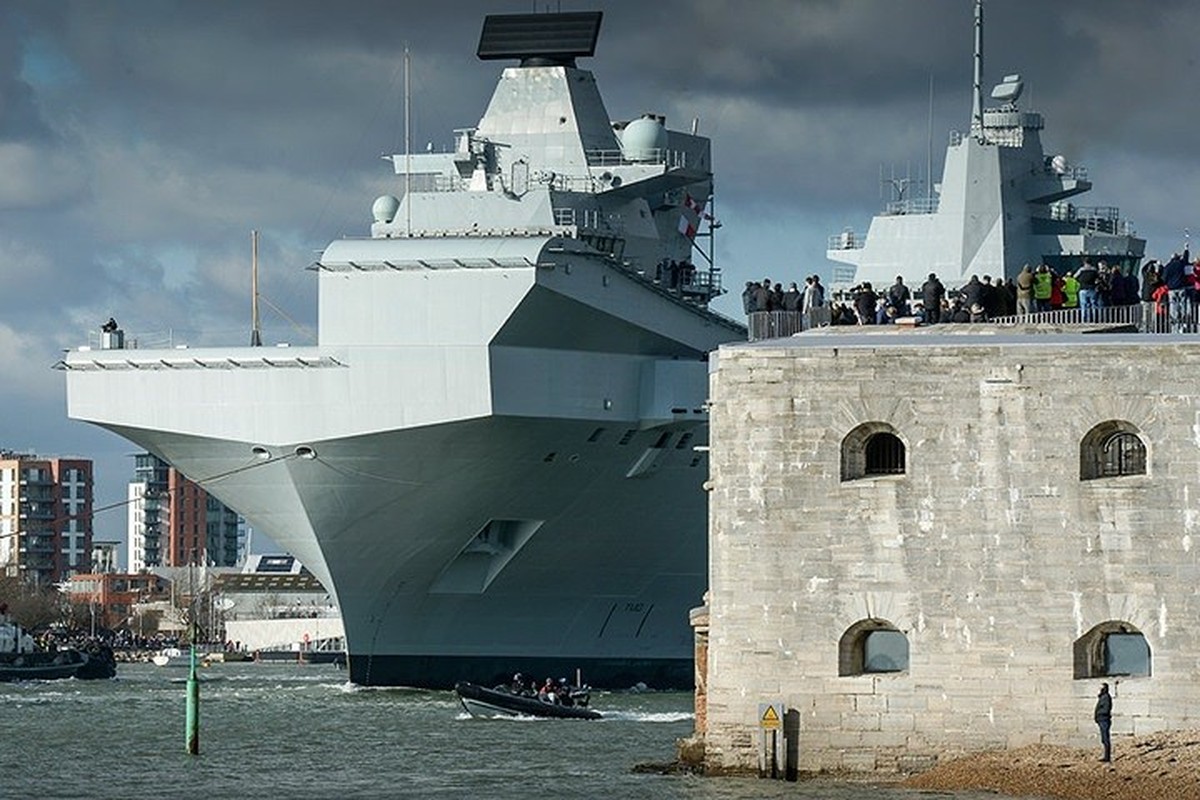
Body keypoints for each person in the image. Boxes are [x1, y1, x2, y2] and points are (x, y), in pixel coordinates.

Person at [1094, 682, 1113, 762]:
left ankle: (1107, 757)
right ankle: (1106, 756)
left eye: (1101, 688)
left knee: (1105, 739)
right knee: (1103, 739)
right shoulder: (1102, 697)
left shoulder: (1106, 697)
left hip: (1104, 720)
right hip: (1101, 720)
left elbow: (1106, 709)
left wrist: (1099, 714)